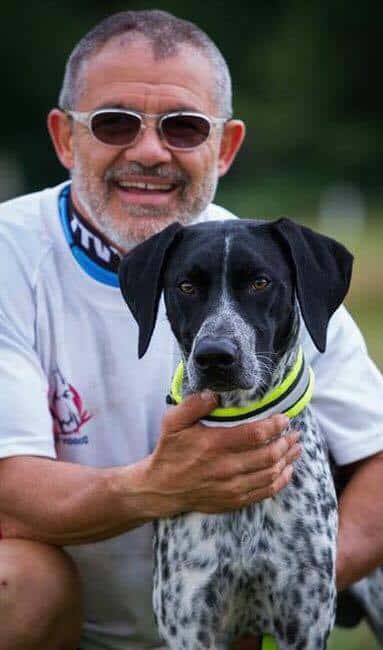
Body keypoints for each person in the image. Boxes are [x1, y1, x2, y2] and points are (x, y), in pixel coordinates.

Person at [0, 9, 382, 650]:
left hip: (225, 630)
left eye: (182, 127)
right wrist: (155, 487)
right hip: (56, 623)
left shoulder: (275, 265)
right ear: (65, 139)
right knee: (16, 581)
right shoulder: (10, 255)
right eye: (115, 123)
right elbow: (8, 492)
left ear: (225, 147)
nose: (149, 151)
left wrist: (289, 581)